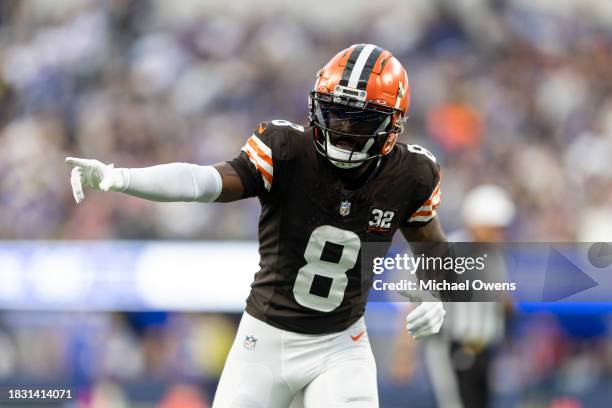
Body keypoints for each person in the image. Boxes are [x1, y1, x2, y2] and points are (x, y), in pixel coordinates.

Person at [66, 44, 448, 408]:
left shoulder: (412, 173)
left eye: (361, 119)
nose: (343, 126)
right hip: (265, 338)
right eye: (334, 112)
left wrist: (435, 295)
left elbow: (433, 249)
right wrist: (120, 178)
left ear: (392, 123)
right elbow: (203, 182)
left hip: (341, 345)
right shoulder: (286, 148)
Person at [393, 184, 515, 408]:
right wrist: (405, 353)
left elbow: (503, 300)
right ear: (476, 222)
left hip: (484, 352)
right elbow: (417, 303)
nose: (500, 234)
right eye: (494, 227)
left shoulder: (492, 254)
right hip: (452, 349)